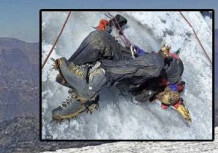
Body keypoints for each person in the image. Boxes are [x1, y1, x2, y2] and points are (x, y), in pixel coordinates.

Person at [51, 14, 190, 122]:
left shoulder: (147, 92)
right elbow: (174, 68)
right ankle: (73, 78)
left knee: (155, 66)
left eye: (165, 98)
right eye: (170, 94)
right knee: (99, 37)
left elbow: (148, 86)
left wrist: (177, 104)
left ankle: (86, 91)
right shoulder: (173, 74)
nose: (165, 96)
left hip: (126, 75)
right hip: (124, 56)